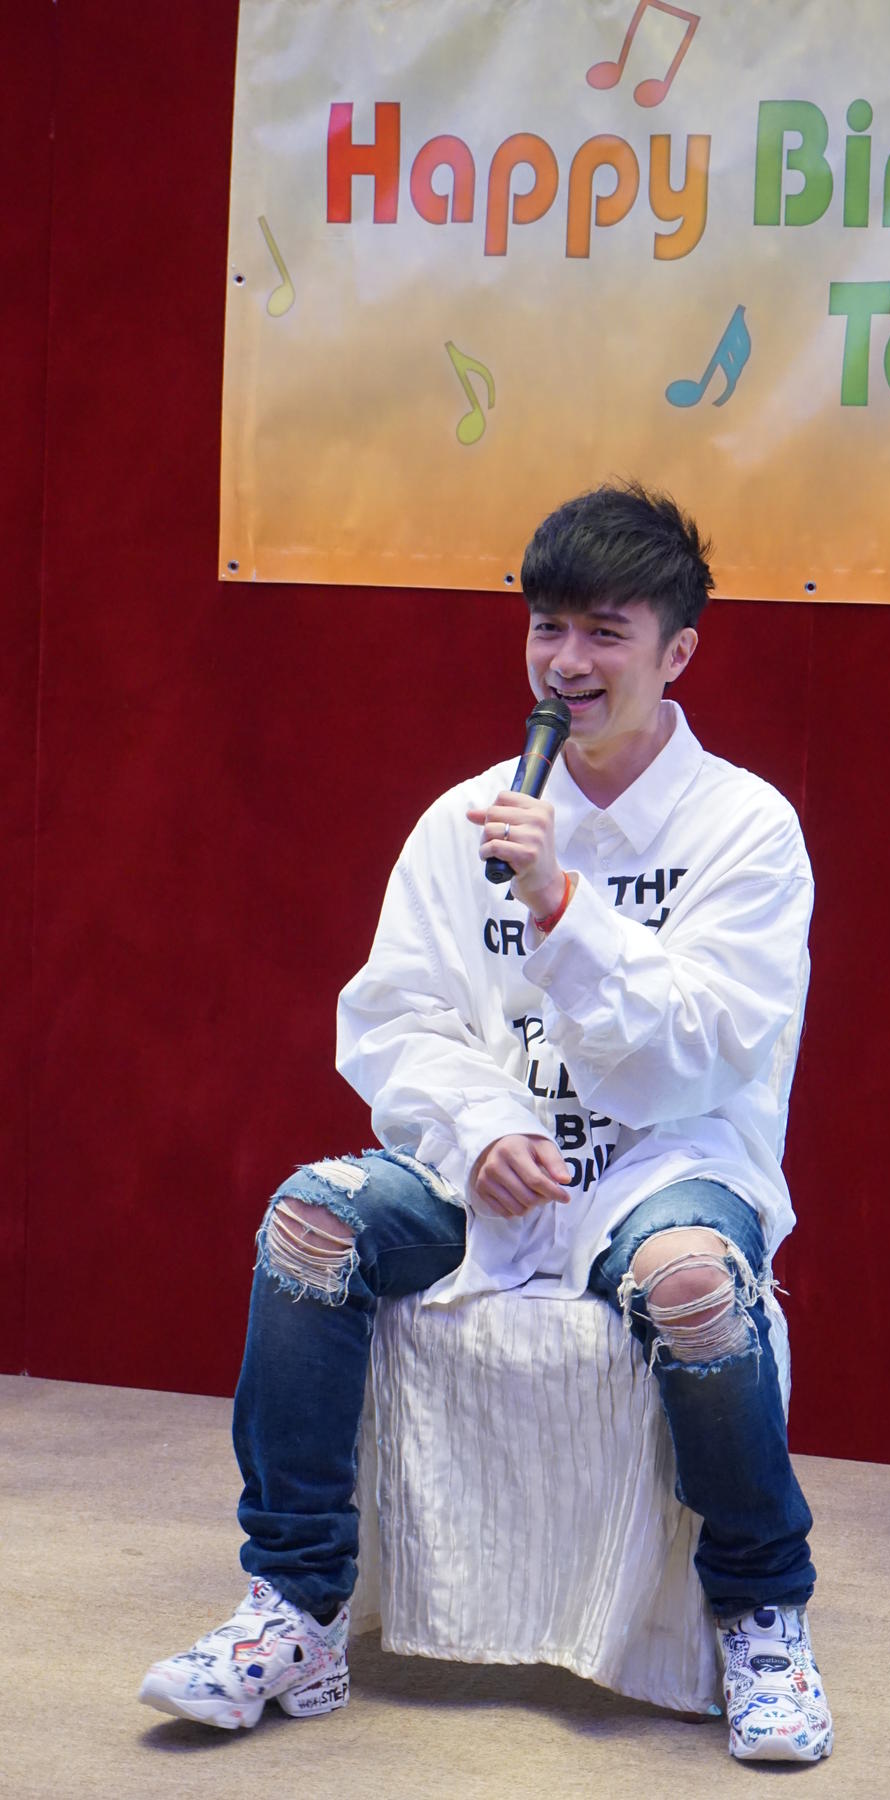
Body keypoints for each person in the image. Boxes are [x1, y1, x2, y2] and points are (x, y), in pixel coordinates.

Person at [139, 482, 833, 1763]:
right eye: (546, 627)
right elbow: (395, 1018)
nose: (566, 662)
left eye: (605, 633)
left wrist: (563, 905)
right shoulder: (464, 818)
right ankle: (294, 1605)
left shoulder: (747, 829)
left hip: (664, 1163)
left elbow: (704, 1047)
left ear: (678, 652)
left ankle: (761, 1614)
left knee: (693, 1283)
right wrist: (475, 1129)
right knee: (309, 1223)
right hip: (486, 1168)